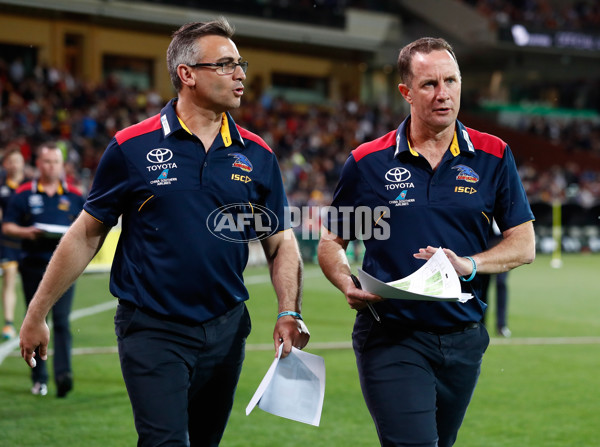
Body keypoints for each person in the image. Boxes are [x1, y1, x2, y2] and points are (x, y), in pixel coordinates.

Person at [19, 17, 309, 446]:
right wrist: (36, 312)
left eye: (240, 64)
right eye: (226, 65)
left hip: (227, 328)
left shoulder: (258, 153)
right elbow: (85, 234)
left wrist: (289, 309)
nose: (241, 75)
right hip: (153, 326)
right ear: (186, 75)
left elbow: (280, 241)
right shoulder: (131, 146)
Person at [318, 37, 535, 447]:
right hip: (391, 335)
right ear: (406, 92)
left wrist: (467, 265)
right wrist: (345, 281)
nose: (443, 94)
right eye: (429, 84)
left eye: (451, 81)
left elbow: (523, 244)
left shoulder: (493, 154)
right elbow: (332, 240)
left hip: (463, 335)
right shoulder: (368, 161)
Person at [3, 142, 84, 397]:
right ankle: (39, 377)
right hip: (33, 264)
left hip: (64, 268)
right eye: (47, 162)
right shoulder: (24, 193)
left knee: (62, 321)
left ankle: (64, 376)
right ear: (38, 164)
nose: (51, 166)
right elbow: (7, 226)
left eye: (56, 162)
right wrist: (27, 232)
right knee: (37, 319)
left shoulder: (74, 194)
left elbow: (86, 228)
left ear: (62, 165)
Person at [0, 147, 26, 340]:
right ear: (5, 164)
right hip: (7, 240)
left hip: (27, 242)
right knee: (9, 278)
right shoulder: (2, 186)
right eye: (11, 161)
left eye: (18, 160)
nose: (14, 164)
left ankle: (32, 320)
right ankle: (9, 323)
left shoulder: (30, 185)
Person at [480, 220, 511, 337]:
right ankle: (481, 323)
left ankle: (501, 325)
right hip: (484, 246)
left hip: (502, 246)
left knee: (501, 283)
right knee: (483, 285)